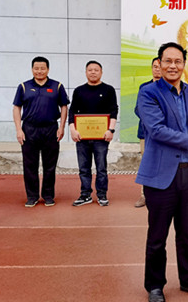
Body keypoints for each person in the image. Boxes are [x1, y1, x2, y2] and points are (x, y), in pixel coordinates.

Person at [136, 42, 188, 302]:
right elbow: (157, 130)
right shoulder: (148, 93)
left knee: (187, 234)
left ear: (184, 64)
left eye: (178, 61)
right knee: (157, 236)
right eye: (167, 61)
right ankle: (155, 285)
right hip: (161, 176)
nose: (173, 66)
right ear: (159, 64)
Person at [13, 56, 69, 207]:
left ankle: (48, 195)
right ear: (32, 69)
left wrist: (62, 127)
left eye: (42, 68)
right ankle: (32, 196)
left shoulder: (57, 86)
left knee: (50, 165)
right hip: (29, 130)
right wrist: (19, 129)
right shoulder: (24, 86)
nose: (39, 71)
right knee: (29, 165)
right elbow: (17, 107)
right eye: (36, 68)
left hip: (50, 129)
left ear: (48, 69)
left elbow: (64, 106)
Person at [68, 60, 118, 207]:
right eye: (90, 70)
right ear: (86, 72)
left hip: (101, 137)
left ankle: (102, 194)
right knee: (84, 168)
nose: (93, 72)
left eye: (96, 70)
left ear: (101, 72)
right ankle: (85, 195)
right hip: (82, 137)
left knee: (101, 168)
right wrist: (72, 129)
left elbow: (113, 110)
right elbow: (72, 111)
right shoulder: (79, 90)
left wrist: (111, 130)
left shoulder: (109, 90)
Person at [134, 57, 162, 208]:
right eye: (155, 66)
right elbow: (138, 109)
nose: (157, 69)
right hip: (146, 133)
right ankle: (144, 195)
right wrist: (153, 121)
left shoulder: (169, 88)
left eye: (160, 66)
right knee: (146, 162)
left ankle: (162, 194)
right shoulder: (144, 87)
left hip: (165, 133)